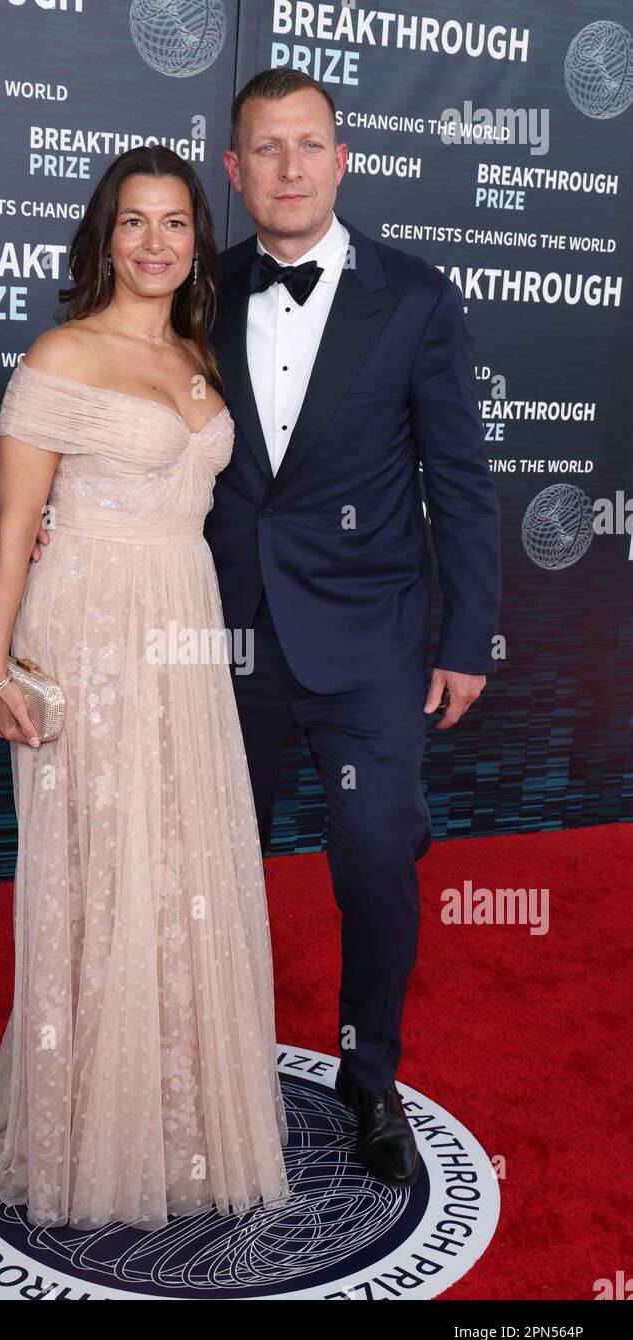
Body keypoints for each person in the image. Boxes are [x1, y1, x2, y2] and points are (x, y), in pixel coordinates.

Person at [0, 144, 291, 1232]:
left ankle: (172, 1110)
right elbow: (15, 529)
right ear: (101, 237)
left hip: (181, 624)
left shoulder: (199, 354)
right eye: (132, 222)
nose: (154, 242)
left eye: (173, 223)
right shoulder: (60, 354)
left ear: (195, 242)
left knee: (178, 855)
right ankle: (84, 1125)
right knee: (99, 862)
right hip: (90, 633)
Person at [204, 70, 502, 1186]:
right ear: (233, 172)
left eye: (307, 146)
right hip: (223, 638)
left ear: (341, 159)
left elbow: (460, 481)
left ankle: (367, 1072)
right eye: (264, 150)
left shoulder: (415, 297)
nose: (288, 168)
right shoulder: (198, 287)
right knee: (208, 863)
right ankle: (205, 1063)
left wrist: (465, 636)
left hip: (369, 641)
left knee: (375, 854)